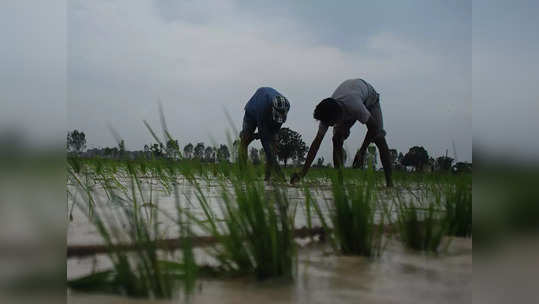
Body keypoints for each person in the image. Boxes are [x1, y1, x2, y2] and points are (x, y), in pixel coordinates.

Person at [290, 78, 393, 187]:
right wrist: (303, 173)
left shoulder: (355, 106)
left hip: (370, 100)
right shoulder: (327, 112)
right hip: (349, 100)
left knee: (379, 138)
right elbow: (316, 143)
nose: (329, 126)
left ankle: (390, 184)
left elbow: (373, 127)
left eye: (331, 123)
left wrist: (362, 152)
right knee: (336, 139)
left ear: (338, 117)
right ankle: (339, 183)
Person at [239, 87, 290, 181]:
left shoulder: (286, 106)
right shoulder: (262, 108)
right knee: (244, 141)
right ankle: (242, 175)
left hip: (267, 113)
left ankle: (267, 178)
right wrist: (280, 172)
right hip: (252, 113)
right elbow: (264, 140)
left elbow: (275, 129)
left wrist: (272, 137)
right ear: (272, 108)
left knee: (273, 144)